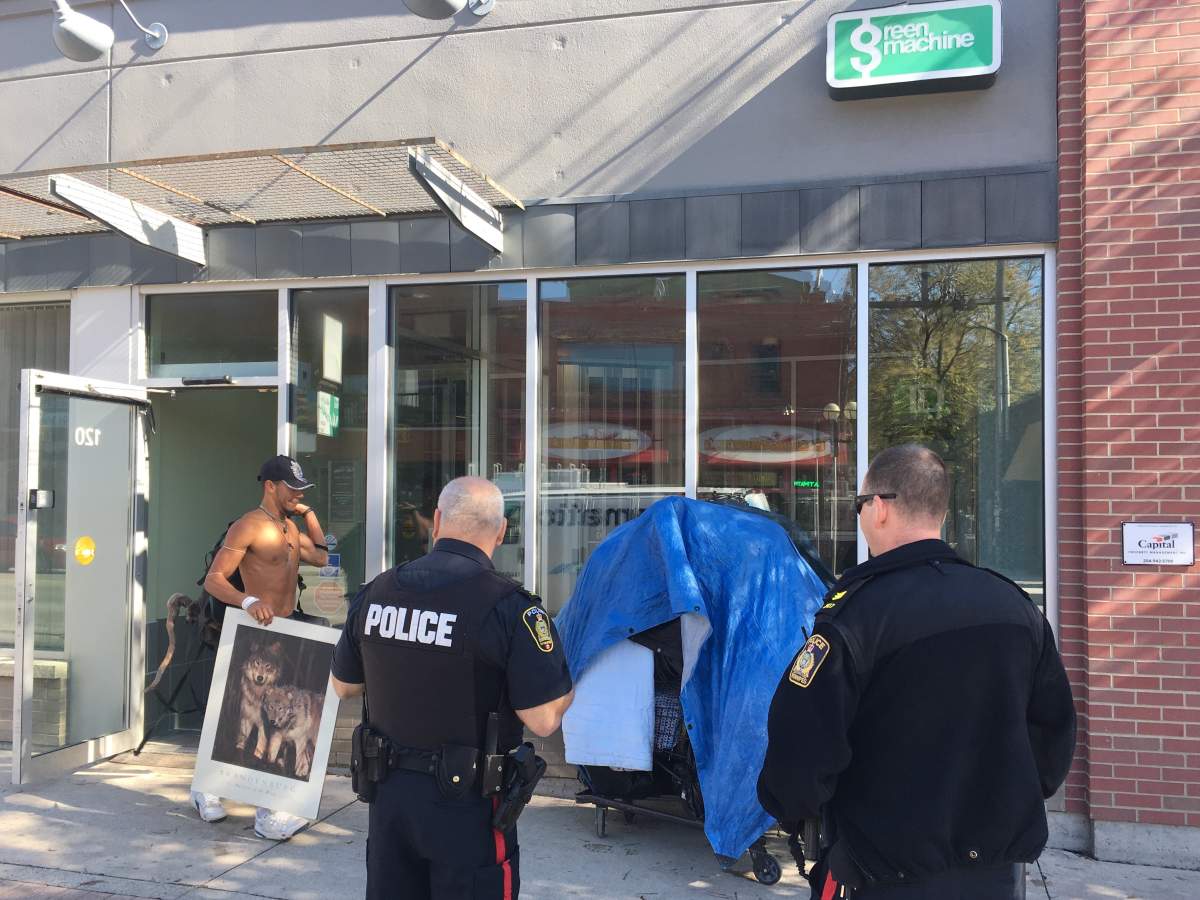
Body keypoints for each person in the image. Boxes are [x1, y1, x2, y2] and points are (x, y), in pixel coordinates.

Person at [757, 444, 1076, 899]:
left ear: (881, 508)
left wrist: (792, 810)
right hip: (996, 874)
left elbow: (801, 744)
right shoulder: (1013, 606)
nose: (861, 517)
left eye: (860, 504)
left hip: (881, 873)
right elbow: (1053, 736)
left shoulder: (856, 617)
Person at [331, 476, 575, 900]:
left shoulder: (376, 593)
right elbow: (544, 718)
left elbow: (344, 687)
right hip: (467, 809)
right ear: (501, 532)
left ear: (437, 521)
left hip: (388, 799)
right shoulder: (510, 608)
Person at [189, 454, 331, 840]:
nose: (296, 494)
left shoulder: (287, 528)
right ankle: (209, 789)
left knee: (268, 714)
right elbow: (214, 579)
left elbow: (323, 557)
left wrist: (310, 513)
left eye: (302, 490)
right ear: (270, 485)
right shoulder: (249, 525)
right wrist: (247, 601)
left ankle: (255, 801)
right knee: (236, 712)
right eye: (292, 488)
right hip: (251, 628)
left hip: (283, 631)